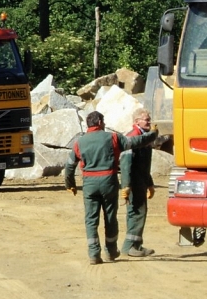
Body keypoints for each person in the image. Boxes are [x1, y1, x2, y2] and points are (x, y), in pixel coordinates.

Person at [64, 110, 158, 264]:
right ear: (100, 122)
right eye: (104, 121)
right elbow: (134, 142)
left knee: (91, 219)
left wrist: (70, 184)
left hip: (89, 184)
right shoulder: (112, 137)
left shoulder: (79, 143)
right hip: (109, 182)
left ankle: (94, 254)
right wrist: (153, 134)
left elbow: (69, 166)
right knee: (110, 218)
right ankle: (111, 251)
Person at [119, 108, 157, 258]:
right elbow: (126, 164)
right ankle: (129, 246)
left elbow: (144, 164)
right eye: (146, 120)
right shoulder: (133, 137)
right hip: (134, 182)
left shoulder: (143, 137)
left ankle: (137, 245)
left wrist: (150, 183)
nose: (149, 122)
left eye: (149, 119)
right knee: (136, 212)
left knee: (140, 212)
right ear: (136, 122)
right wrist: (126, 185)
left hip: (141, 181)